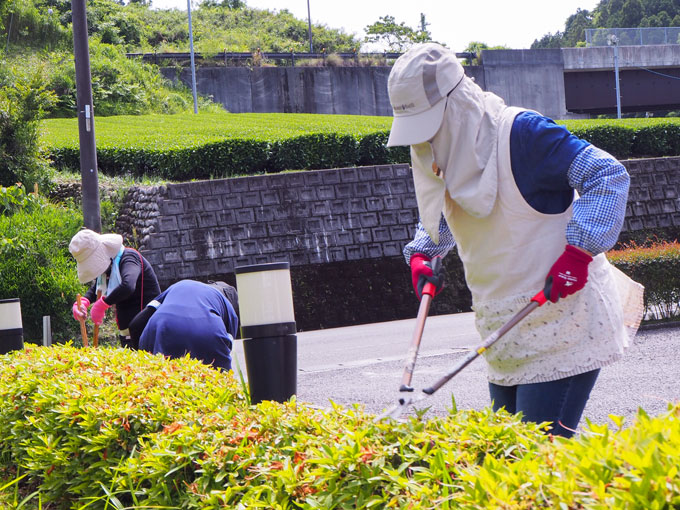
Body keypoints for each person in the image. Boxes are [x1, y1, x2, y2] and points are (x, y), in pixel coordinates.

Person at [386, 43, 643, 437]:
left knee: (534, 456)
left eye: (430, 124)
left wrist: (580, 251)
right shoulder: (441, 148)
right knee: (510, 461)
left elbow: (606, 175)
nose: (424, 139)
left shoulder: (524, 134)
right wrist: (424, 251)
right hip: (503, 334)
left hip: (563, 325)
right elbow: (440, 206)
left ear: (456, 105)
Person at [69, 229, 161, 348]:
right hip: (128, 333)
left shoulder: (129, 258)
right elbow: (97, 287)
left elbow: (128, 286)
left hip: (147, 331)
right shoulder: (109, 266)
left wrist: (103, 304)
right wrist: (84, 302)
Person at [127, 280, 239, 371]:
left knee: (165, 380)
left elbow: (136, 324)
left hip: (162, 325)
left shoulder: (179, 285)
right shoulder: (228, 307)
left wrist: (141, 356)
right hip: (206, 330)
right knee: (219, 381)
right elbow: (226, 347)